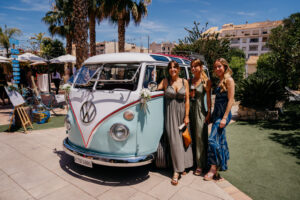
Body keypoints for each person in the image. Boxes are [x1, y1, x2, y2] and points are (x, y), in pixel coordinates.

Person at [157, 61, 193, 185]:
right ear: (168, 70)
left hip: (182, 114)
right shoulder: (165, 81)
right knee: (174, 141)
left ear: (179, 69)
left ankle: (184, 165)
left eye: (175, 67)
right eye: (171, 68)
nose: (173, 69)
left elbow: (187, 99)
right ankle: (176, 170)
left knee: (183, 139)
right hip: (170, 114)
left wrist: (187, 116)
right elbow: (155, 91)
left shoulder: (184, 82)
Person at [204, 58, 235, 181]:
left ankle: (213, 168)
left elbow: (231, 100)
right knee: (220, 140)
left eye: (219, 66)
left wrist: (225, 117)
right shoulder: (220, 81)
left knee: (212, 139)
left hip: (223, 115)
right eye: (215, 67)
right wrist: (211, 115)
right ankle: (219, 167)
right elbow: (216, 100)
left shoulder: (229, 80)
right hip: (217, 115)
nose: (217, 69)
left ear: (225, 67)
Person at [189, 59, 212, 176]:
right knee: (191, 136)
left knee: (200, 137)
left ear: (201, 67)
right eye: (191, 66)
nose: (193, 68)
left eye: (195, 66)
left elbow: (208, 99)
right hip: (190, 110)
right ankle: (191, 162)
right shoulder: (189, 81)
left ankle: (200, 164)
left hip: (200, 110)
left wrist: (209, 113)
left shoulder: (206, 81)